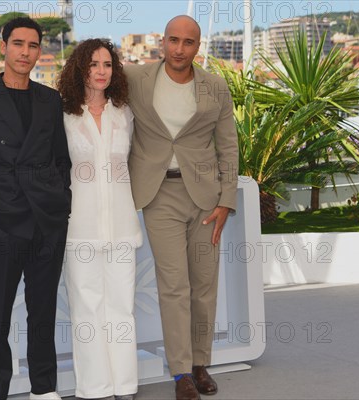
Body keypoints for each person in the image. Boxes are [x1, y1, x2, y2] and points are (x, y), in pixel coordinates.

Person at [125, 16, 239, 400]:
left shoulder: (216, 87)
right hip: (158, 194)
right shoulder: (136, 79)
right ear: (162, 42)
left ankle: (200, 363)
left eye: (188, 42)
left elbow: (228, 146)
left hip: (205, 197)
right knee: (174, 285)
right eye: (173, 40)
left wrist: (226, 201)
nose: (179, 49)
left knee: (204, 285)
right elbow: (94, 86)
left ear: (198, 46)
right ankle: (180, 374)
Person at [0, 17, 71, 400]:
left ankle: (44, 389)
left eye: (33, 45)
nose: (26, 52)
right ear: (3, 46)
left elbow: (61, 160)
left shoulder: (50, 99)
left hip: (47, 219)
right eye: (19, 43)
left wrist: (62, 202)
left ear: (40, 51)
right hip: (3, 219)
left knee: (43, 311)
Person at [56, 39, 142, 400]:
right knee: (87, 310)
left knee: (122, 308)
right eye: (94, 64)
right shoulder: (63, 115)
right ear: (80, 68)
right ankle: (94, 388)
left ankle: (125, 384)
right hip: (80, 228)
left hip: (123, 226)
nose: (102, 71)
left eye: (108, 64)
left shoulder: (125, 113)